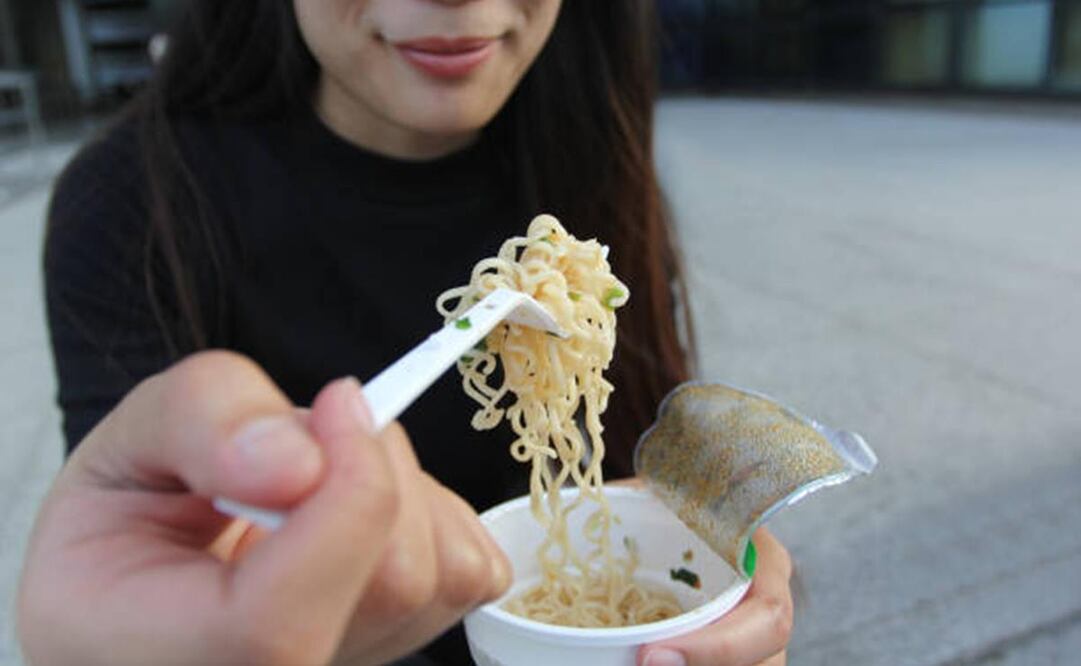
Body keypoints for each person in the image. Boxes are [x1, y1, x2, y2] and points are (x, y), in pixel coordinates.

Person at [17, 1, 794, 664]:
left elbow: (639, 464)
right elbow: (133, 562)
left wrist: (718, 578)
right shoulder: (135, 203)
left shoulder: (587, 158)